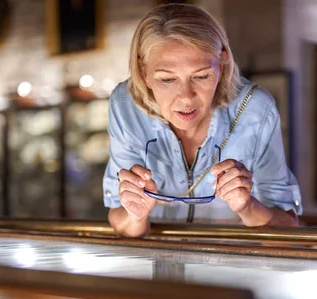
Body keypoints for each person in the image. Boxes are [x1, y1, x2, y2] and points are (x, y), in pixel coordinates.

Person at [103, 3, 302, 238]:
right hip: (160, 268)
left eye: (201, 76)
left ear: (222, 62)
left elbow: (287, 231)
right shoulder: (125, 105)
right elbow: (122, 225)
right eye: (167, 79)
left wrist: (247, 207)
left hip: (234, 268)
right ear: (143, 71)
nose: (186, 97)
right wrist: (136, 215)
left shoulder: (256, 109)